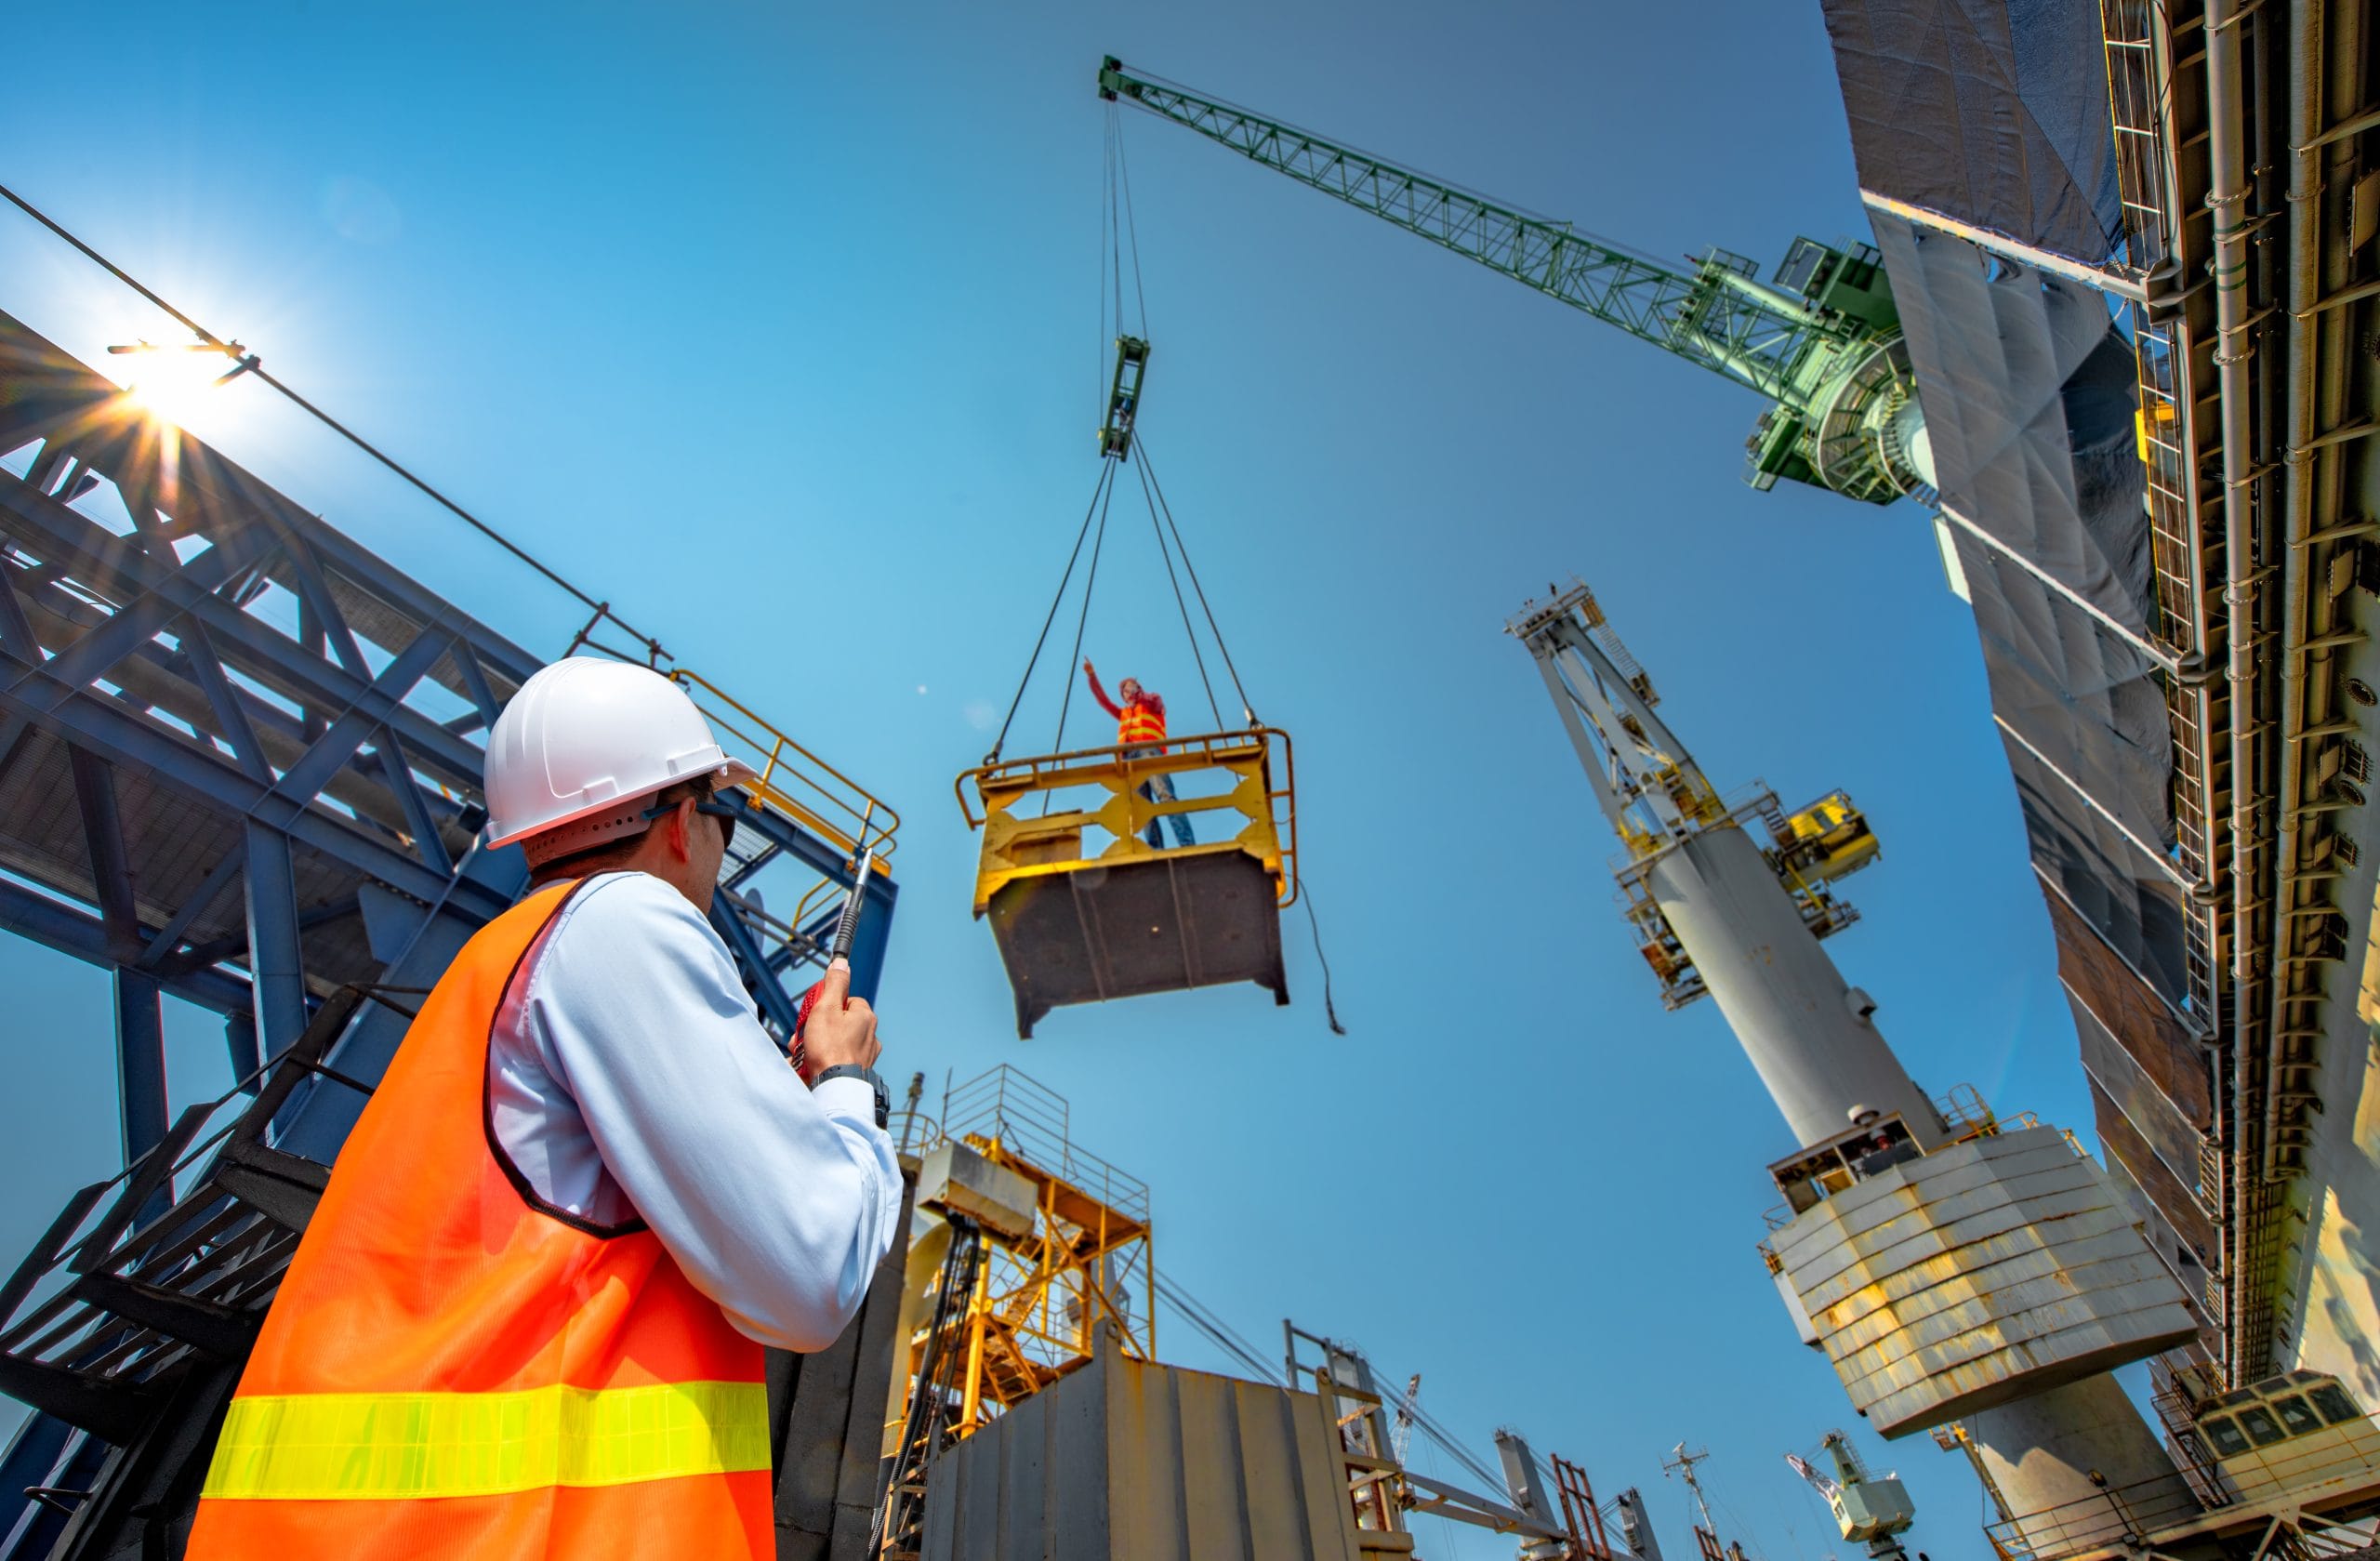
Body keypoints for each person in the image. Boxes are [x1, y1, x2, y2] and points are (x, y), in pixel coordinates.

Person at [186, 656, 902, 1560]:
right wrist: (844, 1085)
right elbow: (810, 1275)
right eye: (722, 818)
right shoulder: (627, 919)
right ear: (682, 821)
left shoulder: (502, 962)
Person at [1084, 656, 1194, 849]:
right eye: (1126, 688)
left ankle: (1187, 844)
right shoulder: (1124, 713)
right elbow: (1103, 700)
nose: (1131, 689)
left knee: (1165, 795)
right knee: (1141, 808)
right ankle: (1156, 850)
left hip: (1149, 751)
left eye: (1133, 686)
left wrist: (1138, 693)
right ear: (1123, 696)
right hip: (1129, 758)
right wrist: (1092, 676)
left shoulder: (1151, 702)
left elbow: (1157, 702)